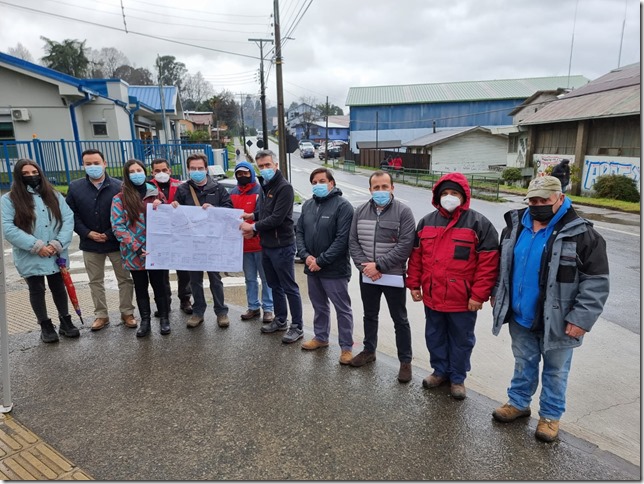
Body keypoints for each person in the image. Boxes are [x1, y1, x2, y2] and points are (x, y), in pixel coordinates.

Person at [491, 176, 609, 442]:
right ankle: (518, 403)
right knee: (524, 363)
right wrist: (499, 295)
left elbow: (596, 283)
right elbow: (503, 266)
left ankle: (550, 417)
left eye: (545, 200)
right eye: (533, 200)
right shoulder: (514, 226)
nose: (538, 205)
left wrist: (581, 319)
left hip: (560, 320)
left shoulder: (584, 235)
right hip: (521, 316)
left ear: (560, 198)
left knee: (556, 371)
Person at [406, 173, 499, 399]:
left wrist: (478, 295)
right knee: (435, 334)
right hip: (432, 295)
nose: (449, 197)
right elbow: (416, 257)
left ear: (464, 196)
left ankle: (457, 378)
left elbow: (488, 265)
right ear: (437, 197)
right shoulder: (426, 222)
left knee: (461, 339)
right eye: (445, 193)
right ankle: (439, 371)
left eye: (454, 193)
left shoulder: (479, 224)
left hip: (462, 299)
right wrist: (414, 284)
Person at [348, 170, 416, 382]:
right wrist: (365, 267)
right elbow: (353, 242)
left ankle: (405, 361)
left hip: (393, 275)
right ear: (370, 190)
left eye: (384, 187)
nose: (380, 191)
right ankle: (369, 350)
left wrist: (379, 265)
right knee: (370, 315)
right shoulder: (359, 211)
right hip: (368, 275)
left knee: (400, 319)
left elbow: (406, 245)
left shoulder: (404, 212)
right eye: (376, 187)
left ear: (392, 188)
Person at [1, 159, 79, 343]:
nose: (31, 176)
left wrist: (57, 243)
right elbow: (8, 228)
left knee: (58, 287)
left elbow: (68, 219)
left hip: (55, 252)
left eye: (34, 172)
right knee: (36, 289)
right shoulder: (9, 199)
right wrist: (36, 246)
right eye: (25, 173)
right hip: (31, 254)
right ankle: (45, 325)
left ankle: (65, 320)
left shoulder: (53, 194)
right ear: (18, 176)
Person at [66, 149, 137, 332]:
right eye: (88, 164)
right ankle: (101, 315)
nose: (93, 167)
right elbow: (71, 215)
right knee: (95, 281)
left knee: (125, 279)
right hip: (90, 243)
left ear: (105, 163)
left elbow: (126, 214)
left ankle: (127, 312)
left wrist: (110, 233)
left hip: (115, 242)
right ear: (83, 165)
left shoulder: (119, 186)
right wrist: (87, 233)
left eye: (96, 163)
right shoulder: (75, 187)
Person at [239, 149, 304, 345]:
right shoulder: (265, 186)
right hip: (266, 245)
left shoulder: (284, 188)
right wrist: (253, 216)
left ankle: (297, 326)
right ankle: (281, 320)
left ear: (276, 165)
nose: (265, 169)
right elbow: (264, 211)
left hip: (282, 245)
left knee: (289, 287)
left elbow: (277, 217)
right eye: (261, 166)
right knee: (274, 285)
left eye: (268, 165)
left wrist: (253, 226)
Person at [296, 168, 355, 364]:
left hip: (334, 269)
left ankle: (346, 347)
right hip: (312, 267)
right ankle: (321, 337)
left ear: (332, 183)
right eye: (314, 182)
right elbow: (300, 233)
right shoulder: (308, 205)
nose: (318, 184)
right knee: (319, 306)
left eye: (322, 180)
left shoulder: (343, 206)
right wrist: (306, 256)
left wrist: (320, 261)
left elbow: (342, 240)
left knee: (342, 309)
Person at [172, 153, 233, 329]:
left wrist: (215, 209)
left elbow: (229, 209)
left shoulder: (218, 188)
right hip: (192, 244)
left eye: (200, 168)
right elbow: (176, 216)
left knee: (215, 279)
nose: (197, 171)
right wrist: (174, 207)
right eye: (193, 168)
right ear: (188, 169)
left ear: (206, 169)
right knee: (195, 280)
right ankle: (198, 312)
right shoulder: (183, 189)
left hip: (213, 242)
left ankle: (221, 312)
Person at [111, 159, 170, 337]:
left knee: (159, 285)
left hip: (156, 249)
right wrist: (136, 247)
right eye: (132, 171)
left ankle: (165, 319)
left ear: (145, 172)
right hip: (133, 252)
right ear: (127, 175)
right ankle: (145, 320)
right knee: (140, 286)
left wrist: (164, 207)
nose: (137, 174)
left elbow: (169, 219)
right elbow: (118, 226)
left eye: (139, 170)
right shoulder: (120, 198)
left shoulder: (156, 193)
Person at [229, 161, 274, 323]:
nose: (242, 176)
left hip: (261, 244)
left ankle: (268, 309)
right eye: (239, 174)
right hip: (243, 245)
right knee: (249, 278)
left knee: (266, 278)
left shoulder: (260, 191)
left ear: (252, 173)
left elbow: (264, 214)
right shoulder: (233, 192)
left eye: (245, 173)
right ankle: (253, 307)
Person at [149, 158, 193, 316]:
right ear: (152, 172)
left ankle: (185, 299)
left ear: (170, 170)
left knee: (183, 269)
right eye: (157, 171)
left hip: (180, 233)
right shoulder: (147, 187)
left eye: (164, 170)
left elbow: (189, 205)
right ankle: (164, 303)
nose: (161, 173)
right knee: (161, 271)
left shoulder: (181, 186)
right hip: (158, 235)